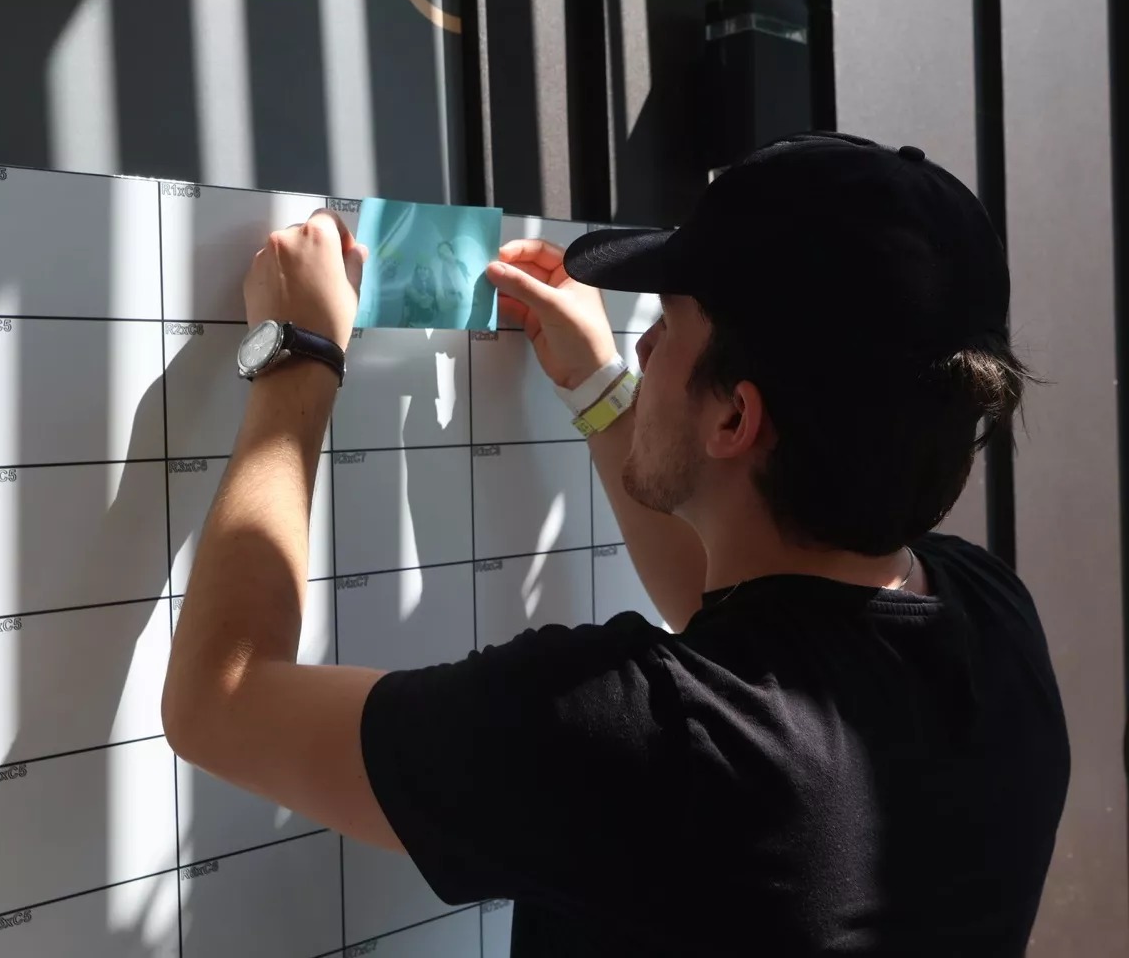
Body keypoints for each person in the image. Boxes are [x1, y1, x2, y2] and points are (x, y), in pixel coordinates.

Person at [161, 131, 1071, 957]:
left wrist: (301, 355)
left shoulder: (632, 739)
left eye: (668, 326)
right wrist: (601, 394)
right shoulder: (993, 625)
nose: (644, 350)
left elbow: (218, 701)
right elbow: (755, 621)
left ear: (735, 417)